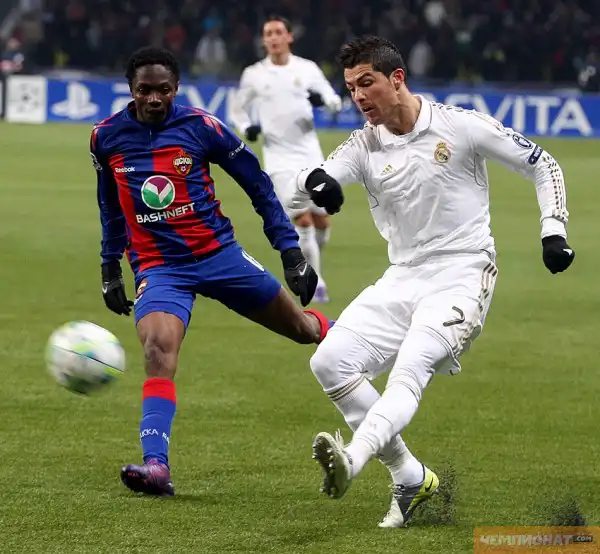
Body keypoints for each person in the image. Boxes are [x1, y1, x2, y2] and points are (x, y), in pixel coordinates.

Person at [291, 35, 575, 527]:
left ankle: (352, 460)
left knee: (411, 364)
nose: (358, 96)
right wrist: (314, 182)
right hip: (402, 276)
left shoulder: (460, 125)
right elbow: (305, 182)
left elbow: (542, 163)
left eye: (366, 83)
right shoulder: (363, 144)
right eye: (351, 88)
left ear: (396, 78)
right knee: (330, 362)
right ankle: (409, 476)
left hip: (463, 272)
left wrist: (554, 230)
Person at [91, 46, 333, 496]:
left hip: (219, 256)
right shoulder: (106, 138)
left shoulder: (202, 127)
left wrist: (290, 251)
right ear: (131, 90)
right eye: (145, 90)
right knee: (157, 350)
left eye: (164, 89)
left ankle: (363, 335)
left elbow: (258, 184)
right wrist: (110, 267)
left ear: (176, 89)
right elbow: (110, 205)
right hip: (160, 268)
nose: (155, 99)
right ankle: (156, 467)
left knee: (302, 329)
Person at [230, 15, 342, 304]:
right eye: (268, 33)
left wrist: (324, 102)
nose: (274, 37)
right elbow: (237, 109)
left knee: (322, 221)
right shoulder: (254, 74)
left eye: (279, 32)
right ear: (264, 40)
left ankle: (315, 266)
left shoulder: (307, 69)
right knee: (301, 218)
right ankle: (317, 283)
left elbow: (335, 101)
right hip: (278, 159)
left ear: (289, 37)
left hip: (310, 154)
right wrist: (247, 127)